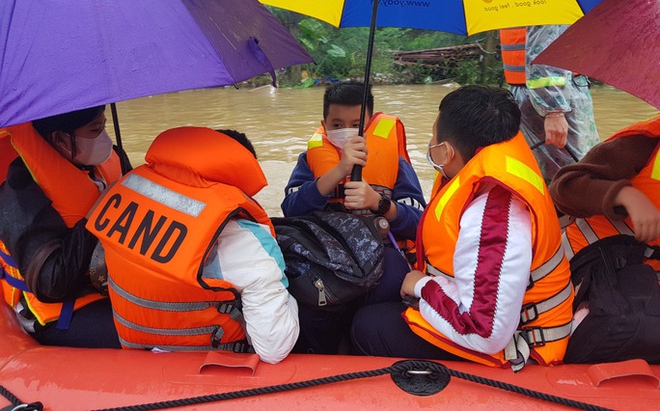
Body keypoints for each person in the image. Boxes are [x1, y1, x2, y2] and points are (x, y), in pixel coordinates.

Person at [351, 86, 574, 371]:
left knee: (368, 327)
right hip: (488, 303)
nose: (431, 143)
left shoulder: (494, 214)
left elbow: (485, 332)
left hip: (520, 340)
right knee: (386, 276)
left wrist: (422, 286)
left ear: (447, 151)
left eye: (434, 138)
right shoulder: (496, 157)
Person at [86, 127, 299, 364]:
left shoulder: (125, 192)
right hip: (208, 363)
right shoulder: (244, 237)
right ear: (242, 172)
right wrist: (288, 296)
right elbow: (273, 348)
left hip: (134, 351)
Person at [281, 81, 426, 354]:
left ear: (369, 123)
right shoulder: (308, 160)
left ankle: (365, 341)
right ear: (323, 124)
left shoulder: (396, 163)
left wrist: (379, 203)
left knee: (395, 270)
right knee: (295, 280)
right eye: (336, 125)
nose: (345, 131)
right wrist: (338, 171)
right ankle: (319, 350)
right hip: (322, 254)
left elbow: (420, 223)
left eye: (355, 124)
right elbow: (291, 209)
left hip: (378, 252)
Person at [0, 106, 124, 348]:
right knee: (154, 335)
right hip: (60, 310)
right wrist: (97, 216)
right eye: (96, 130)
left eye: (104, 126)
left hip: (115, 285)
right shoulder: (20, 189)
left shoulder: (105, 159)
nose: (105, 139)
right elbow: (52, 283)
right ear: (61, 139)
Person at [549, 113, 660, 269]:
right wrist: (625, 196)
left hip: (644, 280)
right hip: (588, 269)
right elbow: (564, 187)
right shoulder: (641, 144)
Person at [500, 26, 600, 183]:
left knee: (543, 172)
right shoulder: (542, 3)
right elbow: (544, 49)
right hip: (553, 94)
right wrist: (554, 110)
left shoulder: (516, 3)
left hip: (530, 92)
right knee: (574, 173)